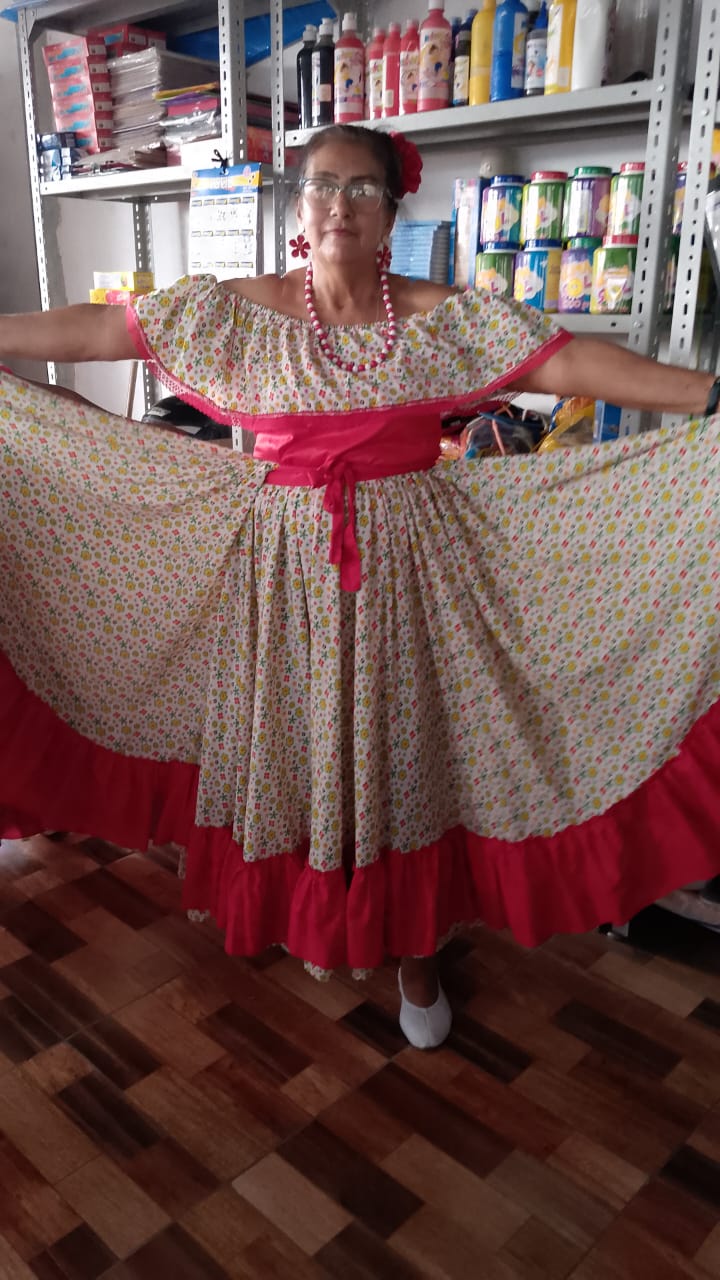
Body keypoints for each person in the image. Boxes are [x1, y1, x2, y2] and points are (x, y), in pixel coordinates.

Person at [1, 123, 720, 1051]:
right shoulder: (235, 313)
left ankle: (416, 950)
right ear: (297, 209)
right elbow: (110, 329)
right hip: (279, 579)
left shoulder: (439, 318)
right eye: (323, 186)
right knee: (297, 749)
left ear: (391, 212)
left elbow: (563, 360)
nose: (341, 203)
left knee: (403, 756)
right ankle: (317, 911)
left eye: (364, 189)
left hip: (411, 577)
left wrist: (707, 395)